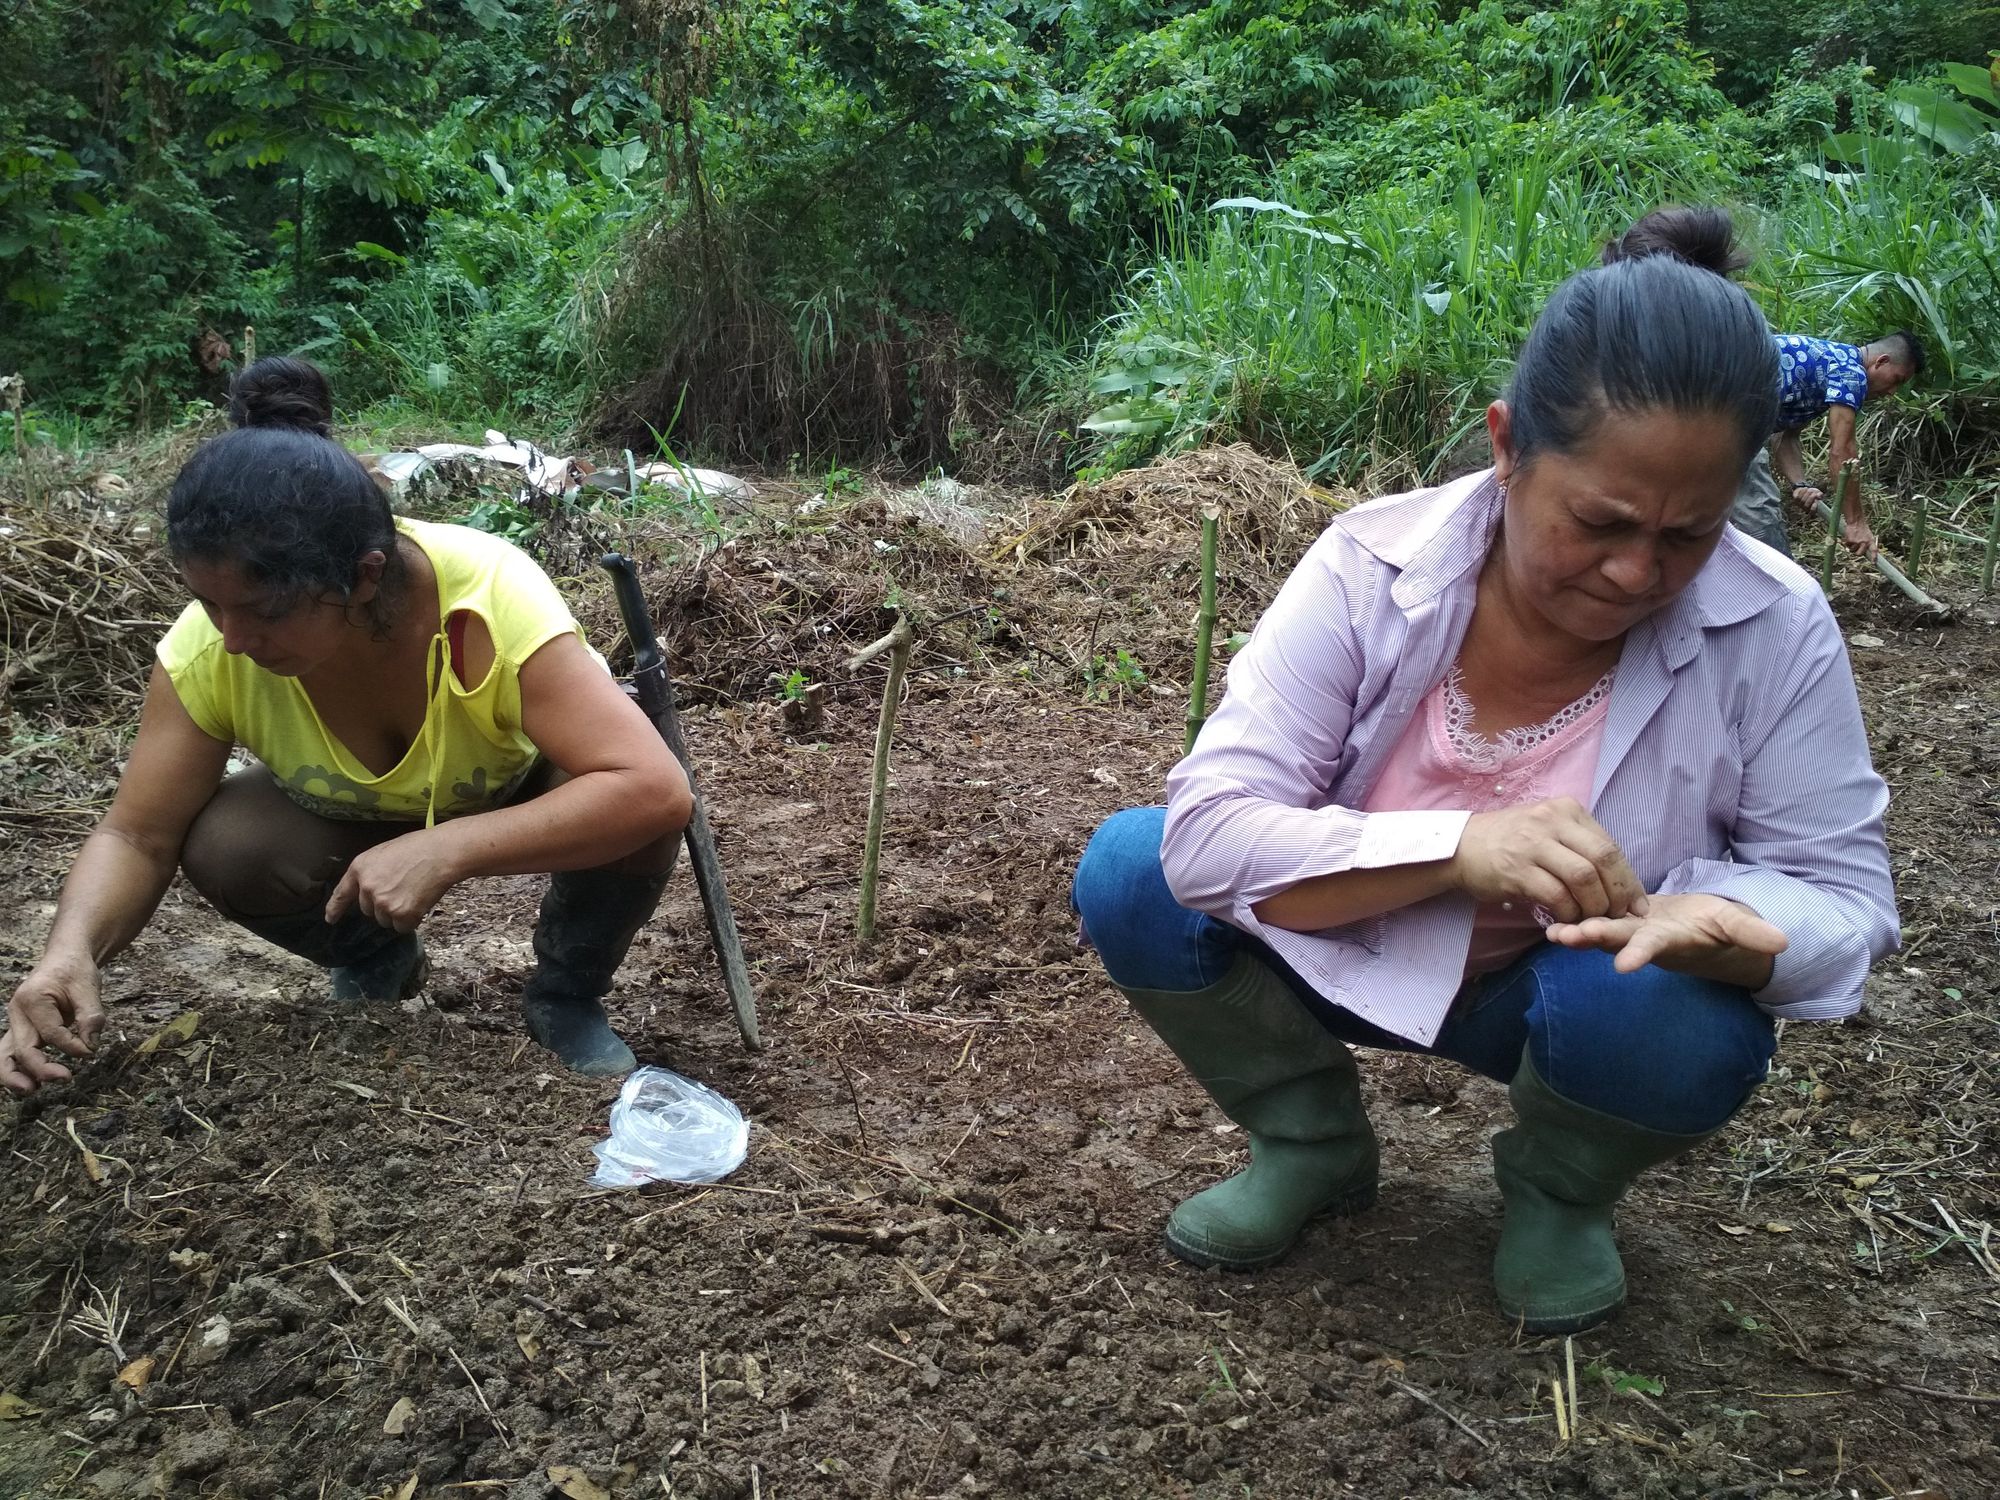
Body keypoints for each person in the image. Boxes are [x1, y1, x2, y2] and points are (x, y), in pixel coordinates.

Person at [1071, 215, 1898, 1334]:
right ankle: (1307, 1143)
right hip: (1338, 939)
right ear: (1505, 446)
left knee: (1675, 1015)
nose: (1634, 571)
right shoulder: (1371, 564)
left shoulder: (1773, 622)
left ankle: (1560, 1194)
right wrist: (1458, 851)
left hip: (1563, 992)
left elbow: (1843, 898)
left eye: (1685, 535)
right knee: (1133, 870)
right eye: (1598, 522)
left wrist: (1738, 925)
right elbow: (1212, 831)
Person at [2, 358, 693, 1095]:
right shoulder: (209, 649)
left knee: (638, 808)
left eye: (265, 612)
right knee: (229, 842)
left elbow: (653, 788)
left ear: (363, 576)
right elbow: (136, 834)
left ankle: (565, 992)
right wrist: (68, 952)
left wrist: (448, 848)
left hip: (519, 787)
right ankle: (371, 955)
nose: (232, 639)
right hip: (340, 820)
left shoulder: (487, 595)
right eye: (208, 603)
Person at [1603, 205, 1924, 561]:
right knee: (1757, 508)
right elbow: (1842, 452)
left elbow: (1784, 434)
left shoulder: (1826, 364)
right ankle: (1783, 601)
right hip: (1728, 405)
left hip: (1711, 404)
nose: (1893, 391)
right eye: (1896, 379)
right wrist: (1856, 522)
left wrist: (1800, 483)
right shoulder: (1850, 372)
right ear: (1880, 361)